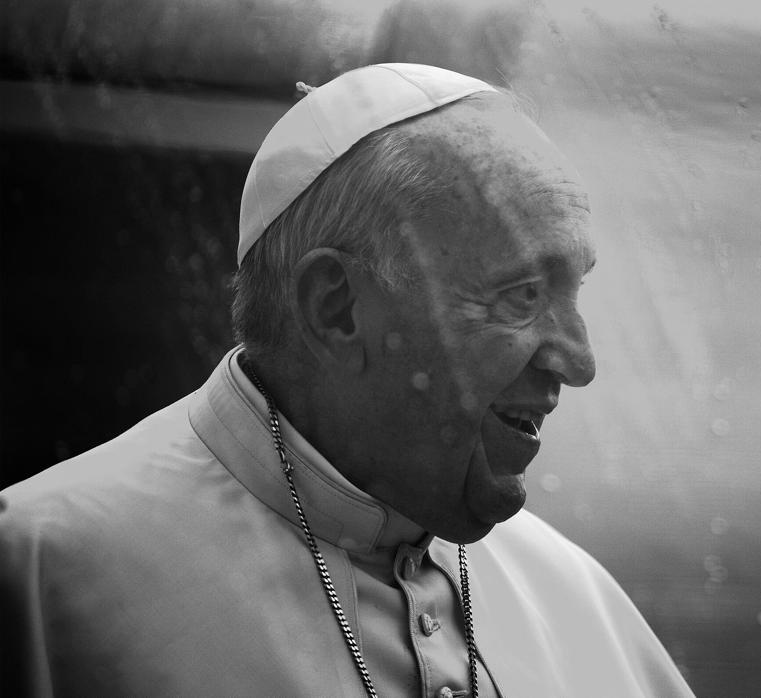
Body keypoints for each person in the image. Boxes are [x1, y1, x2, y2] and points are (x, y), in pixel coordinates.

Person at [0, 63, 695, 697]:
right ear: (337, 309)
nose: (579, 362)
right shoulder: (42, 570)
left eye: (576, 291)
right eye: (521, 296)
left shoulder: (576, 601)